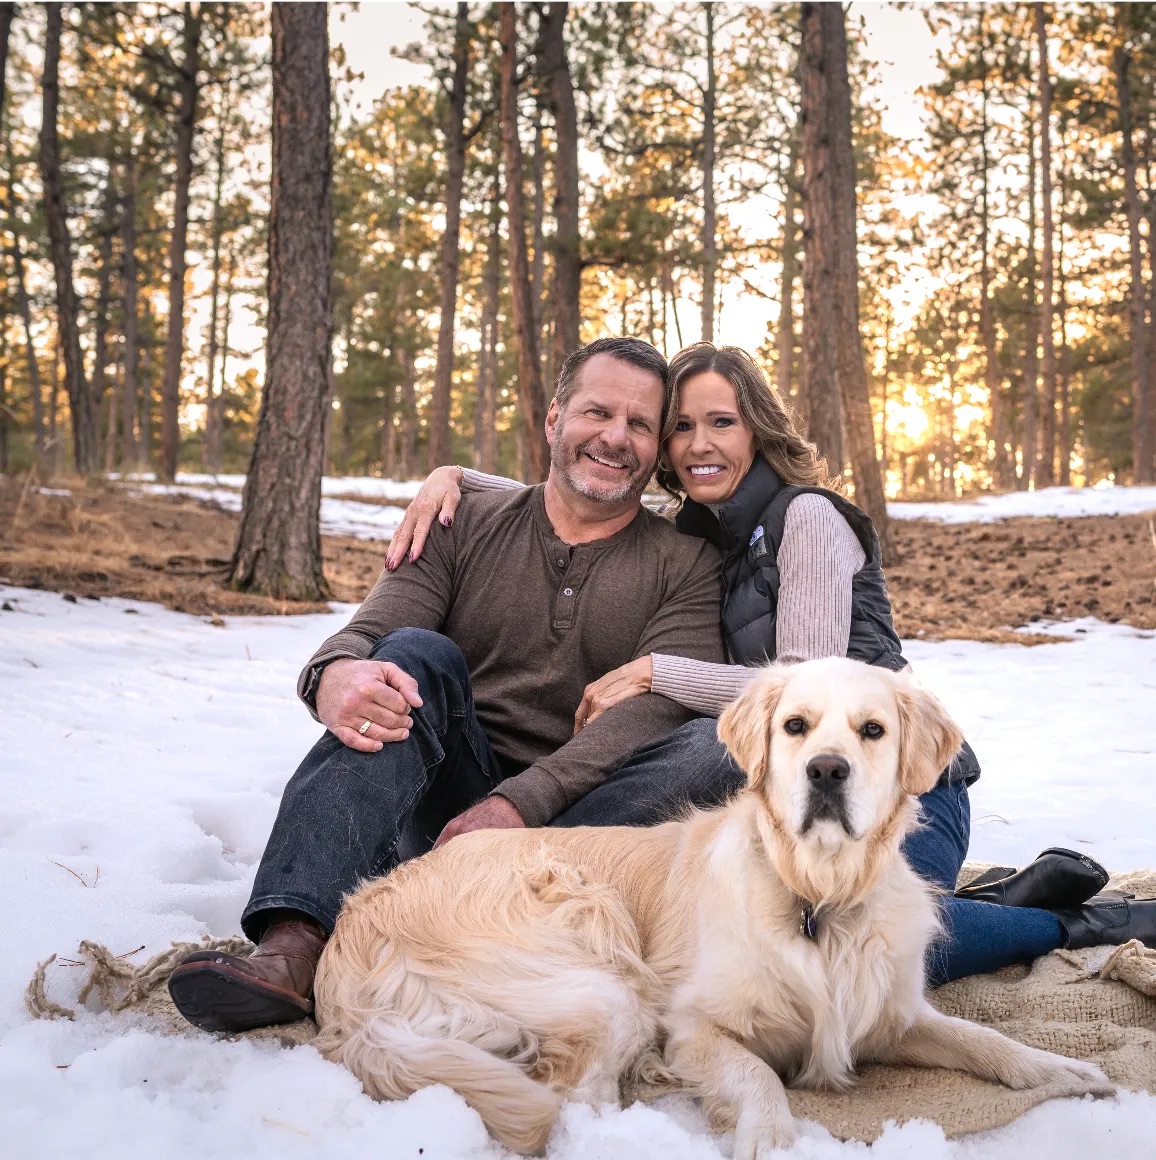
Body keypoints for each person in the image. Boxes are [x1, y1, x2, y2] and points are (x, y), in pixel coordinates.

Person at [396, 341, 1156, 985]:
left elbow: (809, 680)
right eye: (682, 427)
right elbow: (577, 482)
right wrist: (458, 481)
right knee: (746, 927)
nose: (699, 445)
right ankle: (1000, 898)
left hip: (901, 788)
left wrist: (659, 671)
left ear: (756, 430)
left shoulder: (809, 518)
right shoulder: (706, 534)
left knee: (850, 950)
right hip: (805, 797)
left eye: (721, 423)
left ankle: (1071, 923)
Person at [167, 336, 739, 1033]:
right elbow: (378, 627)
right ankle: (294, 944)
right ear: (554, 419)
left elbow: (654, 709)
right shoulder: (459, 519)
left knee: (712, 744)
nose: (616, 437)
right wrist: (331, 674)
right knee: (411, 654)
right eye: (598, 413)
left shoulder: (687, 563)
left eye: (641, 424)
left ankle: (524, 931)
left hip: (583, 831)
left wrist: (520, 806)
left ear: (655, 451)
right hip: (446, 815)